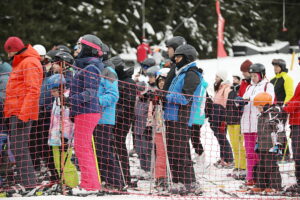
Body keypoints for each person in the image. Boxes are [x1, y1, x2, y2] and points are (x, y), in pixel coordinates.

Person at [3, 36, 43, 191]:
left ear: (12, 49)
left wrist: (23, 115)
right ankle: (26, 181)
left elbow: (33, 90)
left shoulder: (29, 62)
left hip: (22, 114)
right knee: (18, 149)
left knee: (20, 149)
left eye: (8, 52)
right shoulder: (21, 62)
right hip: (16, 113)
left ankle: (29, 183)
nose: (7, 56)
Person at [164, 44, 202, 194]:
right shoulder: (179, 73)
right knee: (172, 151)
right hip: (171, 117)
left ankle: (190, 182)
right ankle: (178, 181)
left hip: (182, 117)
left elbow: (186, 98)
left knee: (180, 152)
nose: (176, 60)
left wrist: (166, 96)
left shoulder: (191, 74)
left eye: (179, 57)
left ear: (187, 58)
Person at [69, 34, 104, 192]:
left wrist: (71, 99)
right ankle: (91, 184)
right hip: (84, 111)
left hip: (87, 111)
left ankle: (89, 185)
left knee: (82, 147)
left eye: (79, 46)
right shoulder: (85, 66)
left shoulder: (91, 67)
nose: (77, 49)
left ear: (88, 49)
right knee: (83, 147)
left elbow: (90, 92)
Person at [93, 49, 125, 190]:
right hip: (93, 117)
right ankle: (105, 179)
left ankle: (116, 182)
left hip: (104, 119)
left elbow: (113, 95)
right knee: (98, 152)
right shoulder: (95, 69)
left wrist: (95, 101)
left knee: (104, 152)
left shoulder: (108, 71)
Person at [240, 63, 275, 186]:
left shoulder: (267, 85)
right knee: (249, 153)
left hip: (258, 124)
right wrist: (239, 102)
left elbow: (270, 99)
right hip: (246, 124)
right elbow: (244, 98)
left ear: (261, 75)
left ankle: (259, 177)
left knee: (258, 152)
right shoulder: (249, 87)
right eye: (252, 76)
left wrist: (252, 99)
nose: (253, 78)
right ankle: (250, 177)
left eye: (255, 76)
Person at [47, 74, 79, 189]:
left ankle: (72, 184)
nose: (51, 92)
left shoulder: (66, 99)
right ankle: (64, 183)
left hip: (63, 138)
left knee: (65, 162)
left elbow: (67, 121)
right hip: (55, 137)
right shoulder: (57, 99)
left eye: (54, 90)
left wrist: (65, 137)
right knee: (57, 162)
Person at [111, 55, 137, 187]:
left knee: (119, 145)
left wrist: (115, 113)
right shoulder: (116, 80)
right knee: (114, 146)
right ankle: (118, 175)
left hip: (123, 120)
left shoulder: (128, 82)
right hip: (115, 119)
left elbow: (128, 104)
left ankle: (125, 176)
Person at [250, 92, 283, 193]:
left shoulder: (273, 116)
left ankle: (275, 186)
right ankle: (261, 185)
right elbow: (259, 132)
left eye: (259, 107)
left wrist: (278, 144)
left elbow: (280, 131)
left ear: (266, 105)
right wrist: (257, 143)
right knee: (261, 166)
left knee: (271, 166)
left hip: (271, 146)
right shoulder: (261, 116)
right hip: (262, 146)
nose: (258, 109)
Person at [211, 70, 234, 168]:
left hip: (221, 115)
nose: (215, 78)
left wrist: (224, 118)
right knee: (219, 137)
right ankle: (223, 157)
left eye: (217, 77)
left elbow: (226, 103)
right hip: (216, 114)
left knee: (222, 137)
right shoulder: (219, 88)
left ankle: (229, 159)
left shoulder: (226, 88)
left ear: (222, 78)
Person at [226, 74, 247, 179]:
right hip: (230, 121)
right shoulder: (231, 92)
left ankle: (243, 166)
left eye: (236, 79)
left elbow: (242, 106)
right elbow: (227, 106)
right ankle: (237, 165)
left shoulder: (241, 91)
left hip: (238, 121)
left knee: (240, 144)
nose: (233, 80)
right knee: (234, 144)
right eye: (233, 78)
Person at [284, 82, 300, 194]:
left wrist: (286, 108)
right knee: (296, 154)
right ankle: (298, 180)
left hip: (298, 122)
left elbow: (297, 101)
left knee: (298, 154)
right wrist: (286, 105)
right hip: (295, 122)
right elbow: (295, 98)